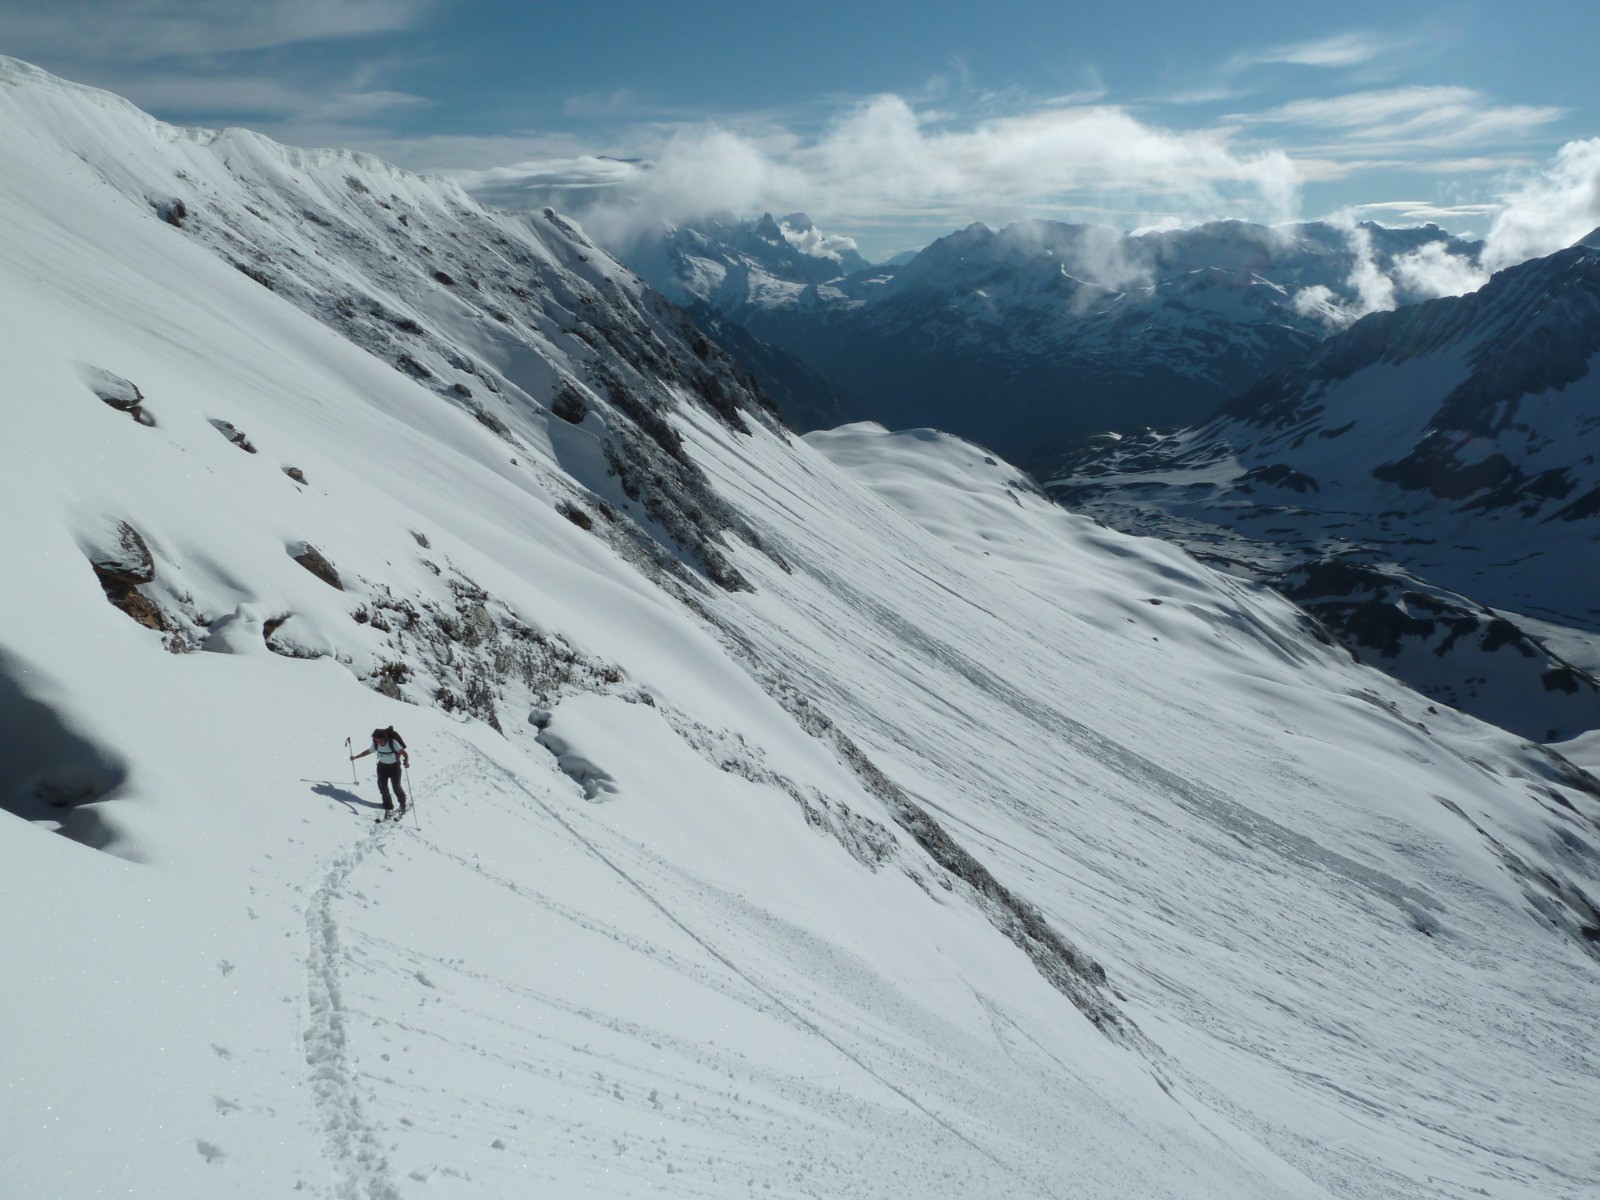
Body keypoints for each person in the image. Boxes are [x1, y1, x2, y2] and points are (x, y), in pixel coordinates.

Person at [351, 727, 410, 819]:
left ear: (385, 738)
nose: (378, 743)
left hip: (394, 768)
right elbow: (368, 751)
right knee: (382, 787)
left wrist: (406, 762)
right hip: (382, 767)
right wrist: (356, 757)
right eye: (376, 741)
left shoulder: (393, 743)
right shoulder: (376, 744)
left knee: (396, 787)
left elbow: (405, 753)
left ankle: (403, 804)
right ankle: (388, 806)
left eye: (380, 741)